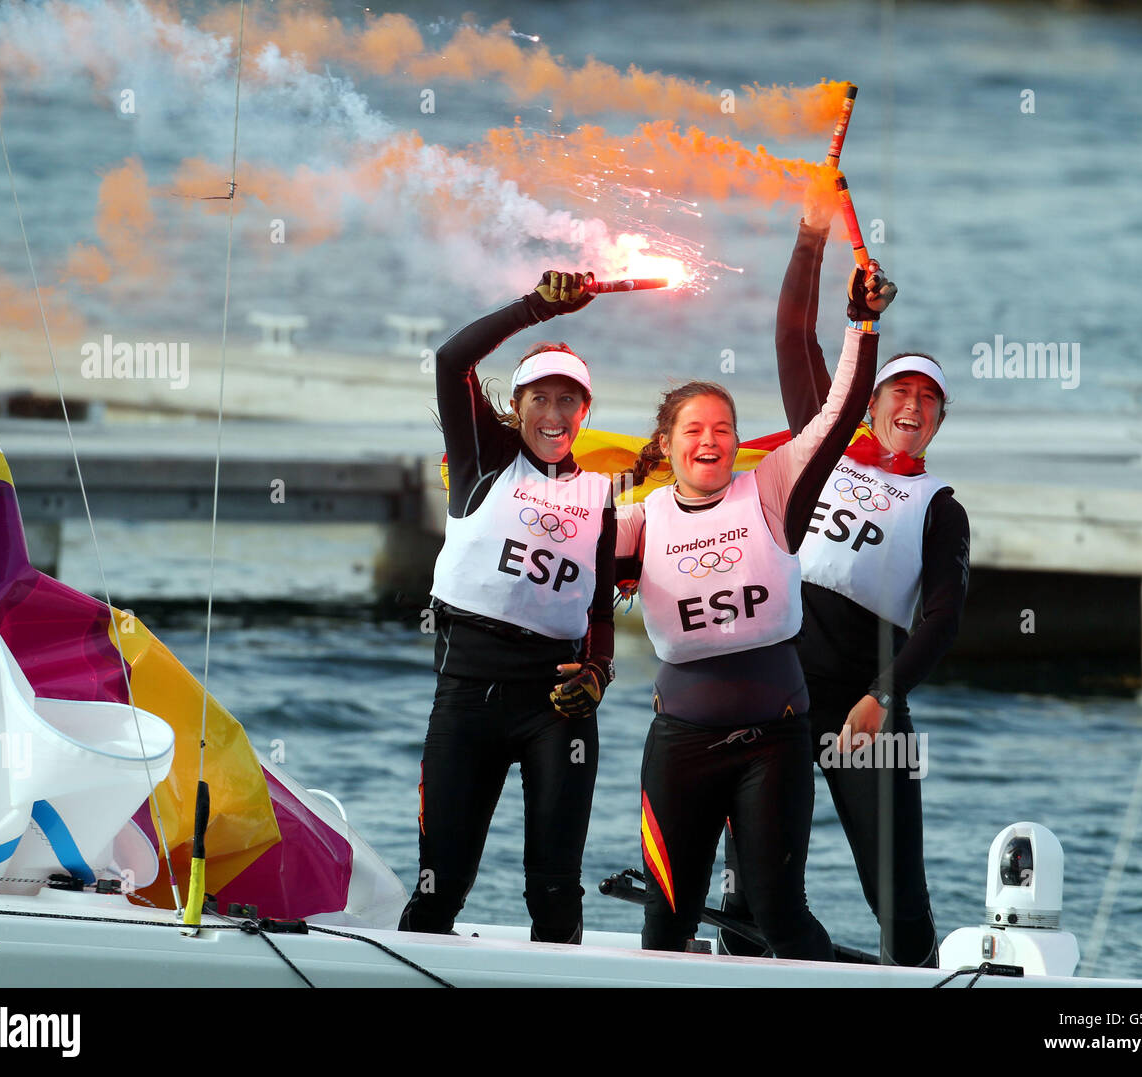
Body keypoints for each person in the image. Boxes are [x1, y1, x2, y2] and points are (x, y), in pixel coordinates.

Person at [614, 225, 895, 958]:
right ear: (667, 444)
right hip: (678, 748)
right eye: (693, 430)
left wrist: (861, 324)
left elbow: (837, 413)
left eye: (723, 428)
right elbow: (561, 574)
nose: (710, 440)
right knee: (666, 919)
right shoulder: (639, 522)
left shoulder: (771, 491)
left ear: (738, 442)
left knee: (779, 916)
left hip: (775, 743)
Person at [720, 213, 970, 967]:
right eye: (901, 390)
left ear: (939, 420)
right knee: (748, 885)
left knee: (899, 894)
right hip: (780, 697)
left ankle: (916, 979)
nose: (912, 407)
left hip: (868, 708)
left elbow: (943, 616)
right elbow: (793, 339)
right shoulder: (823, 446)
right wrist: (810, 237)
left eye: (929, 400)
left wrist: (885, 695)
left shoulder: (940, 508)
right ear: (869, 401)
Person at [397, 271, 617, 944]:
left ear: (585, 411)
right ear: (518, 405)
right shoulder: (483, 459)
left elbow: (601, 611)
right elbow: (449, 360)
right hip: (468, 696)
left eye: (568, 401)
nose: (554, 414)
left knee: (554, 891)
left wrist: (599, 674)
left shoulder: (602, 493)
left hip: (556, 704)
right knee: (443, 883)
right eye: (540, 398)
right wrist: (533, 307)